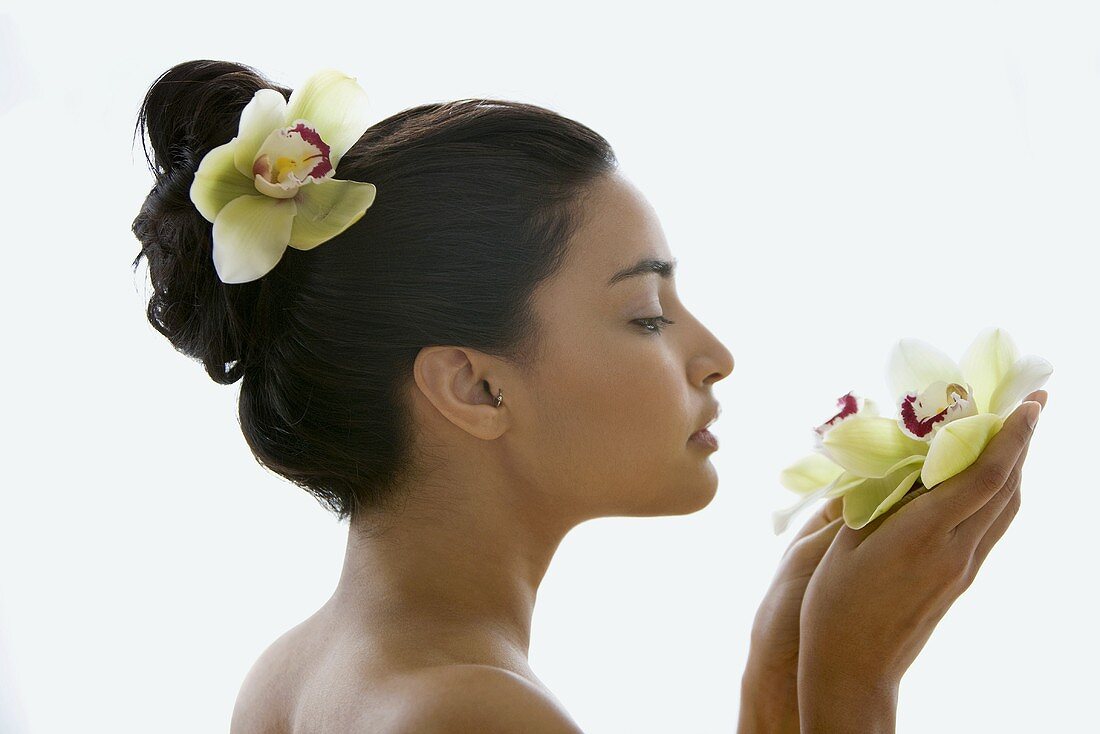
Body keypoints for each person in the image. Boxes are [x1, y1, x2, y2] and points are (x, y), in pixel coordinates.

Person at [131, 59, 1047, 734]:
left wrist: (783, 664)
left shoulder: (298, 671)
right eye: (647, 315)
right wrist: (855, 683)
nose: (716, 356)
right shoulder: (467, 713)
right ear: (476, 384)